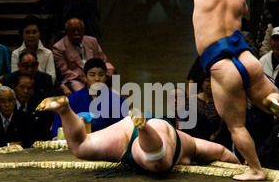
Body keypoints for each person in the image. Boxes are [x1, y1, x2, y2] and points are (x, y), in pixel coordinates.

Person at [182, 0, 279, 181]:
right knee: (268, 92)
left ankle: (256, 170)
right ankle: (274, 101)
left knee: (236, 125)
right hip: (246, 57)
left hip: (221, 65)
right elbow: (245, 11)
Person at [36, 94, 241, 173]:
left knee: (80, 146)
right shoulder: (191, 143)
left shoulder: (189, 142)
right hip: (158, 135)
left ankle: (65, 110)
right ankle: (144, 129)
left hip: (126, 130)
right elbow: (222, 152)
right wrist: (239, 167)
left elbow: (222, 152)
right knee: (158, 164)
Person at [51, 58, 129, 138]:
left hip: (107, 144)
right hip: (79, 144)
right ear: (85, 77)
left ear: (106, 76)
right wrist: (58, 137)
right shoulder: (73, 100)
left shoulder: (117, 101)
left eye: (101, 75)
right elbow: (59, 126)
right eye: (92, 75)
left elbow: (124, 127)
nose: (97, 79)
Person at [52, 17, 116, 94]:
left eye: (79, 30)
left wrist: (110, 69)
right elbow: (64, 71)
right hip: (76, 79)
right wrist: (84, 79)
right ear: (67, 32)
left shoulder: (92, 41)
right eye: (72, 30)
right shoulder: (58, 47)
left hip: (96, 74)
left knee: (113, 89)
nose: (76, 33)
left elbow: (103, 60)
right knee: (85, 94)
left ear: (83, 30)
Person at [182, 70, 232, 149]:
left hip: (220, 142)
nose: (210, 84)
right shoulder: (193, 100)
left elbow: (226, 123)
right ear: (201, 83)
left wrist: (215, 135)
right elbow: (187, 125)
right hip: (197, 142)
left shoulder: (223, 101)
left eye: (214, 81)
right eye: (208, 81)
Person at [11, 15, 55, 84]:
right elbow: (15, 78)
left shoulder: (48, 53)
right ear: (22, 35)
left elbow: (52, 78)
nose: (31, 36)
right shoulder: (16, 54)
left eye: (34, 32)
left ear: (39, 33)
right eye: (27, 32)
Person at [11, 72, 53, 142]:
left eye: (29, 88)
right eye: (22, 87)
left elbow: (44, 132)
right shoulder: (7, 105)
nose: (25, 91)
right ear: (13, 87)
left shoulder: (40, 105)